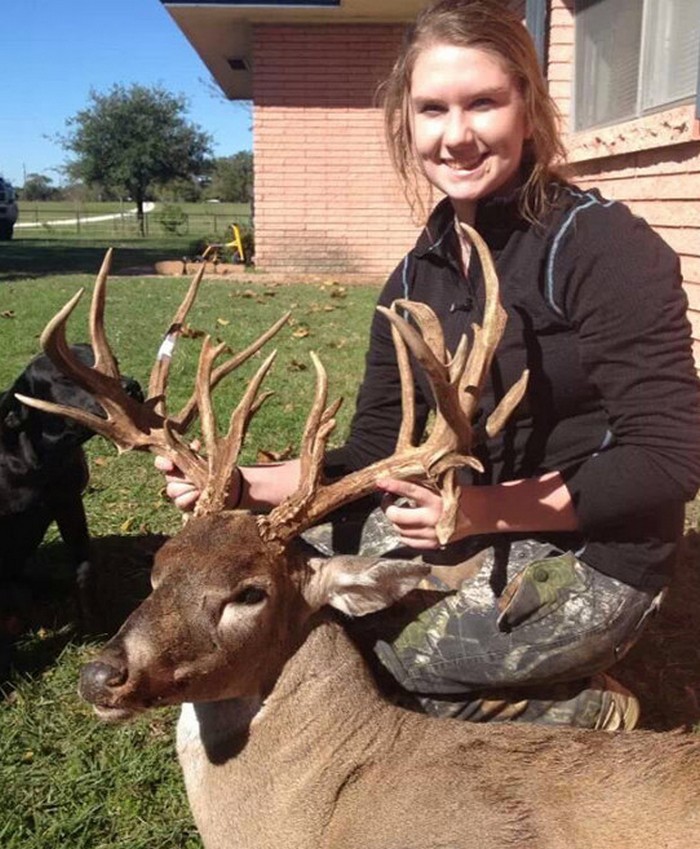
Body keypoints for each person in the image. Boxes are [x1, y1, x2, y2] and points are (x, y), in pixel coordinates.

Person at [157, 0, 700, 730]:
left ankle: (580, 711)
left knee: (372, 648)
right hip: (466, 527)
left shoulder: (600, 247)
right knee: (280, 575)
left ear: (529, 111)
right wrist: (242, 484)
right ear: (405, 122)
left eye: (484, 104)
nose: (457, 135)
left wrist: (481, 509)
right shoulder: (420, 273)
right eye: (433, 108)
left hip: (595, 554)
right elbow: (374, 450)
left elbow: (671, 455)